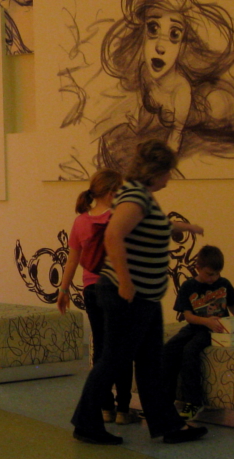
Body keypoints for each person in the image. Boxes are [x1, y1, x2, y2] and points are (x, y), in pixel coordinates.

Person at [70, 140, 207, 446]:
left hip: (144, 296)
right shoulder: (135, 195)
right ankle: (86, 422)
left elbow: (145, 227)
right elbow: (114, 235)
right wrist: (125, 281)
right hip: (129, 295)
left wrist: (182, 228)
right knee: (114, 359)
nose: (170, 177)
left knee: (150, 363)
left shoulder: (139, 195)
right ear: (154, 171)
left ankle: (168, 425)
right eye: (168, 171)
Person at [98, 0, 234, 171]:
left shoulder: (182, 90)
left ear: (183, 44)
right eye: (153, 29)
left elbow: (175, 137)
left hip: (210, 113)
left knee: (220, 106)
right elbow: (142, 111)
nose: (160, 47)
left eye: (174, 34)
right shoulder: (144, 73)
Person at [57, 169, 136, 425]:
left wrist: (64, 290)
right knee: (121, 348)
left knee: (101, 348)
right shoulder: (120, 217)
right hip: (117, 288)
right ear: (112, 192)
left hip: (91, 289)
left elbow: (73, 259)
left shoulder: (81, 221)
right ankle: (124, 408)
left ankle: (105, 407)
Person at [163, 245, 234, 421]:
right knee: (169, 349)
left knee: (190, 351)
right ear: (198, 268)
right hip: (197, 326)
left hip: (216, 330)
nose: (213, 279)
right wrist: (207, 321)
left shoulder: (224, 284)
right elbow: (188, 316)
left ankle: (194, 402)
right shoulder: (188, 286)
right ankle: (165, 400)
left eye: (217, 274)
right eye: (209, 274)